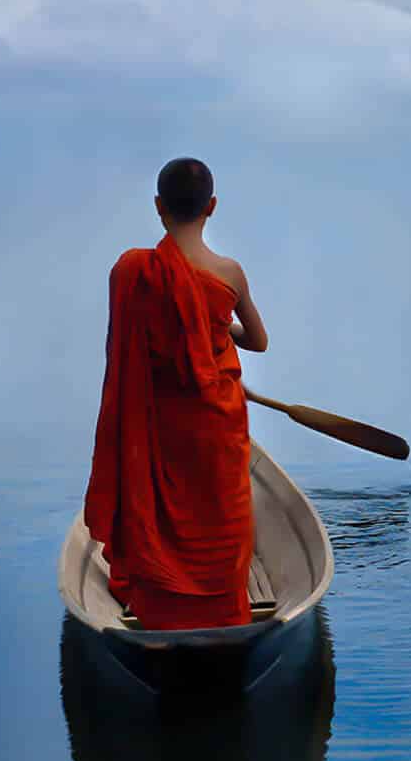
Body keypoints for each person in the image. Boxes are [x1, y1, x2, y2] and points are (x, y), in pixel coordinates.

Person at [84, 158, 271, 630]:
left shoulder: (133, 272)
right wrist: (215, 324)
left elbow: (141, 344)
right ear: (211, 206)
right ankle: (226, 609)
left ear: (158, 206)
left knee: (158, 513)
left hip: (159, 423)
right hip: (217, 419)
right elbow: (258, 340)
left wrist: (198, 323)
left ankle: (161, 605)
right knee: (220, 513)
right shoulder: (229, 273)